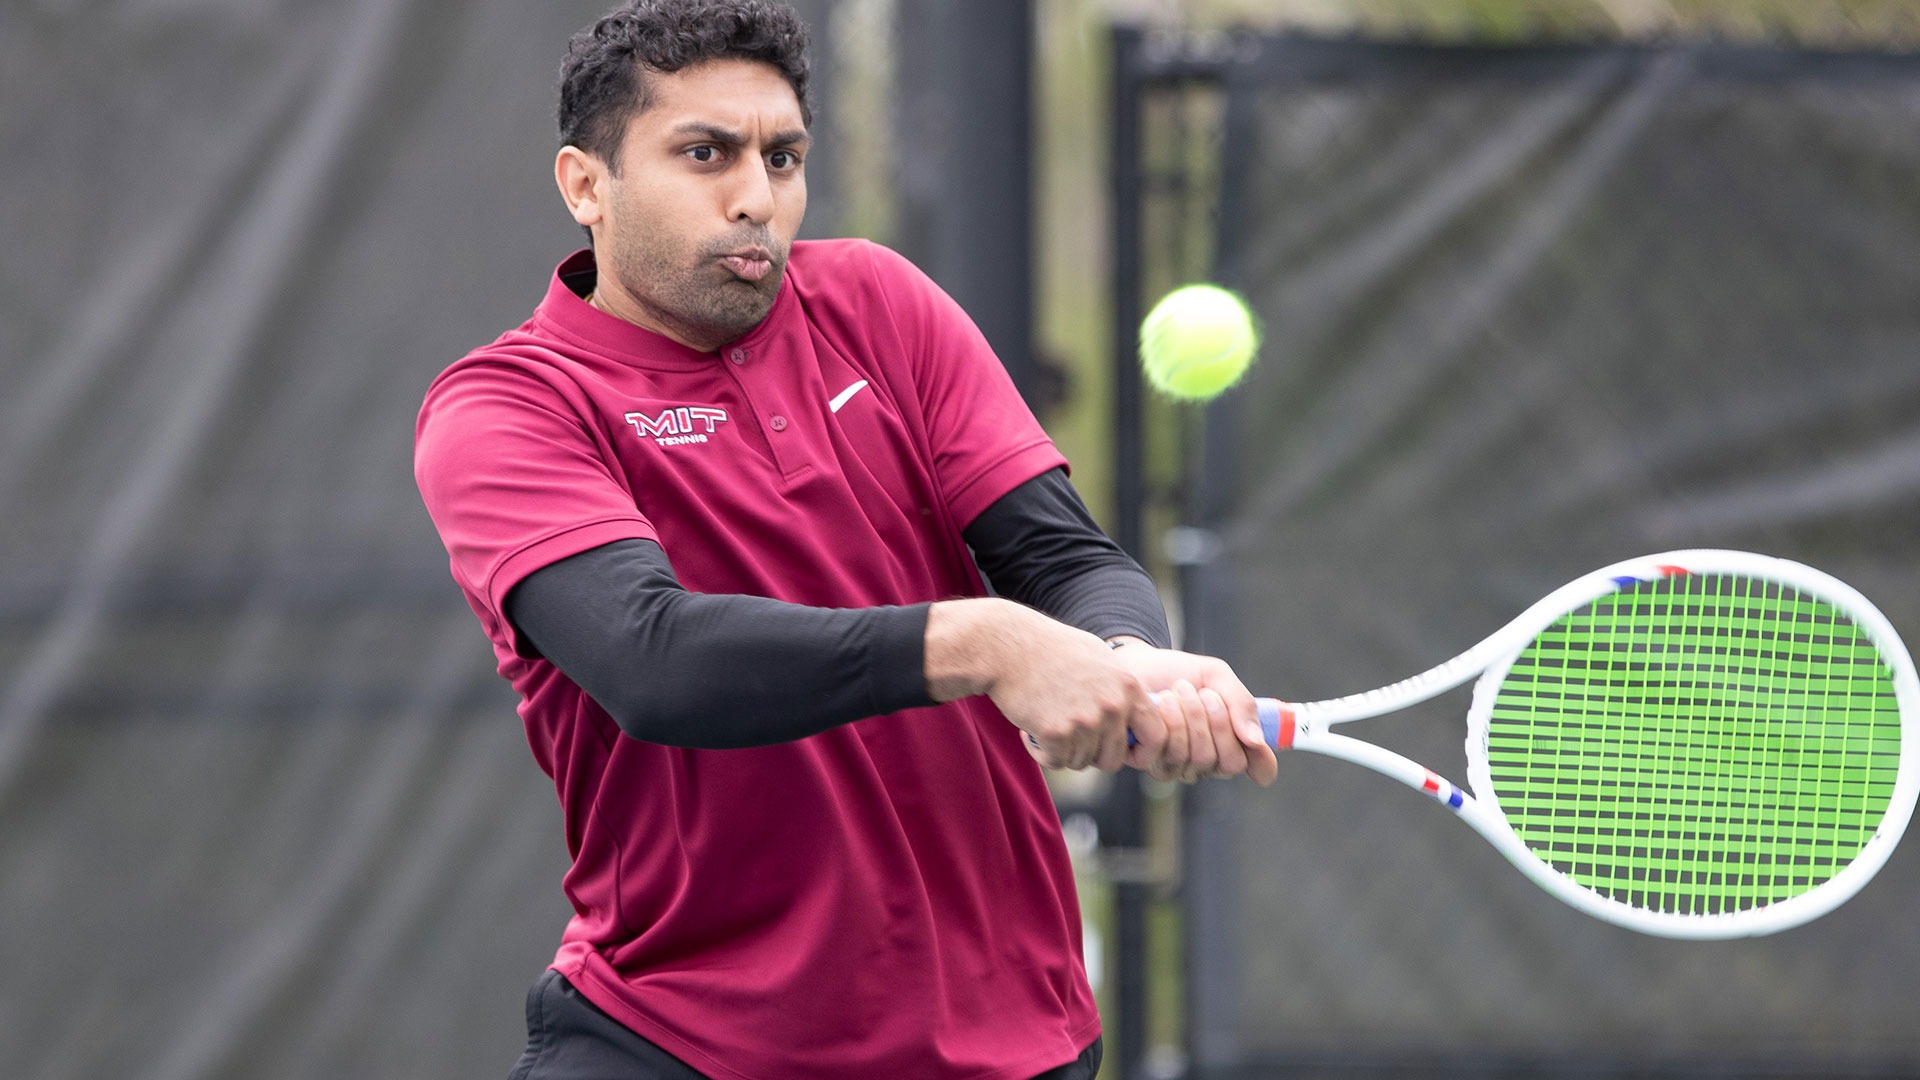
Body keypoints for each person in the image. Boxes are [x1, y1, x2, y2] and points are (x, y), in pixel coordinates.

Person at [413, 1, 1278, 1076]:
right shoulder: (506, 408)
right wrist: (989, 645)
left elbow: (1065, 561)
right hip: (678, 1039)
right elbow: (653, 660)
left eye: (782, 157)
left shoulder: (880, 302)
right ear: (585, 184)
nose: (755, 197)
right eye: (705, 154)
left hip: (1008, 1037)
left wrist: (1126, 656)